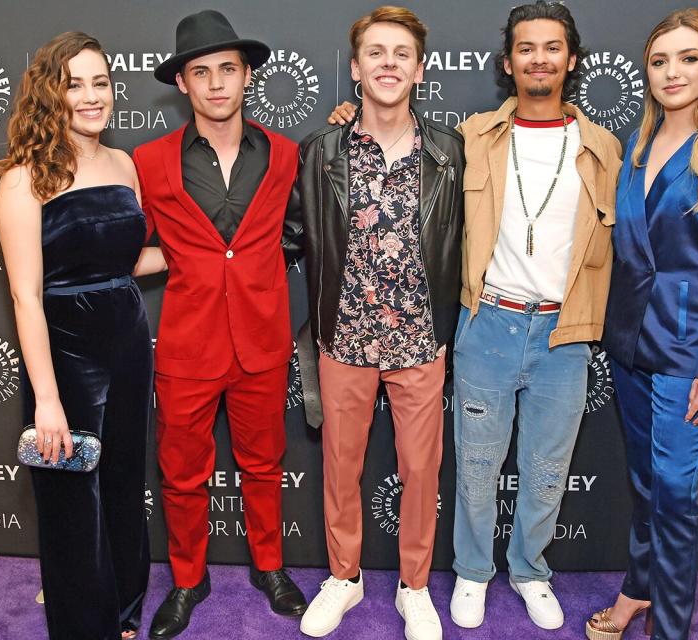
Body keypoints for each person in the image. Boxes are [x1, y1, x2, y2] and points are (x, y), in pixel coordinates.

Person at [328, 0, 621, 632]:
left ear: (570, 60)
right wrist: (348, 117)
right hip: (486, 322)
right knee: (477, 467)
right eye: (525, 48)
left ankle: (530, 571)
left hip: (564, 330)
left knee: (546, 469)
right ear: (508, 61)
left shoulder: (605, 148)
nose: (538, 58)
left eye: (551, 47)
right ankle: (469, 572)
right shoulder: (474, 137)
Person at [587, 9, 698, 640]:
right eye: (660, 60)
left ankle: (670, 627)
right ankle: (639, 591)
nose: (673, 72)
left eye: (689, 58)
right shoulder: (636, 144)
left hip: (689, 351)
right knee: (646, 481)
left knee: (673, 492)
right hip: (629, 344)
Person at [132, 10, 306, 639]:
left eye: (226, 70)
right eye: (199, 72)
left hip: (262, 340)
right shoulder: (147, 161)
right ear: (182, 84)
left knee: (265, 463)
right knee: (181, 471)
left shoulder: (286, 153)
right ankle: (186, 578)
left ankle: (270, 566)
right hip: (185, 344)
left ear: (248, 76)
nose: (214, 84)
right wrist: (178, 256)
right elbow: (131, 248)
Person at [296, 7, 464, 640]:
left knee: (422, 471)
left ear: (419, 69)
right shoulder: (322, 150)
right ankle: (345, 576)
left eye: (401, 53)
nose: (388, 63)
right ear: (355, 67)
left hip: (421, 340)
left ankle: (414, 586)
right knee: (342, 464)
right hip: (345, 337)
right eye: (375, 52)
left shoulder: (451, 153)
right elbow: (292, 236)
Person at [0, 31, 166, 640]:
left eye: (102, 82)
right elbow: (26, 295)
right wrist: (45, 398)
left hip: (126, 339)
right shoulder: (23, 181)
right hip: (65, 351)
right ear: (51, 94)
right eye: (75, 84)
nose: (92, 97)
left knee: (122, 482)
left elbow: (124, 263)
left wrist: (198, 251)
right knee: (72, 500)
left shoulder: (123, 165)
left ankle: (122, 611)